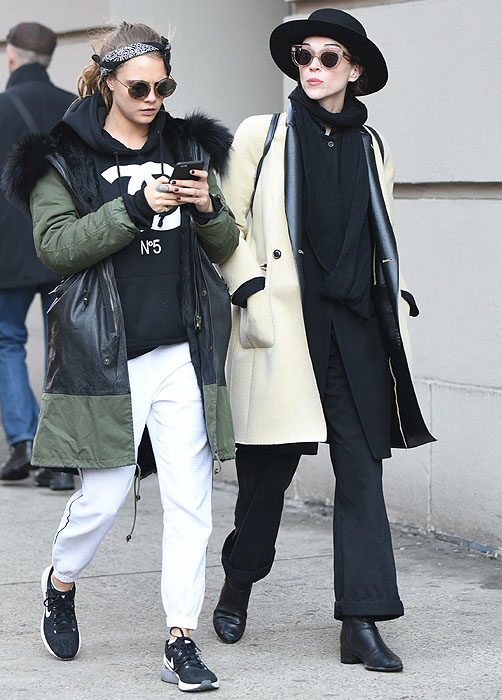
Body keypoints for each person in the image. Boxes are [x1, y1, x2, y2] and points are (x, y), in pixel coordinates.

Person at [3, 21, 238, 693]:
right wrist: (132, 209)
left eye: (164, 85)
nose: (153, 97)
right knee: (102, 500)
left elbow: (222, 239)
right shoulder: (64, 156)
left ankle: (179, 640)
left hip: (182, 351)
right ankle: (61, 579)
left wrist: (206, 208)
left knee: (191, 503)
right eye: (139, 86)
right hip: (107, 357)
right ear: (108, 80)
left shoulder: (186, 145)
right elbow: (56, 247)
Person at [212, 8, 435, 672]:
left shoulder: (374, 146)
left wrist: (390, 301)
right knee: (266, 482)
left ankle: (360, 622)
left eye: (328, 57)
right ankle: (239, 582)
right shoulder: (263, 133)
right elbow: (223, 223)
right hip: (285, 328)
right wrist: (248, 291)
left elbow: (380, 238)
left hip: (356, 330)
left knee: (363, 475)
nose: (312, 66)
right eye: (304, 55)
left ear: (354, 70)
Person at [0, 22, 75, 491]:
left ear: (10, 55)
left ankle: (22, 441)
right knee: (61, 348)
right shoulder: (73, 105)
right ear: (46, 58)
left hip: (7, 249)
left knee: (7, 339)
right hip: (63, 245)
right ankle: (57, 457)